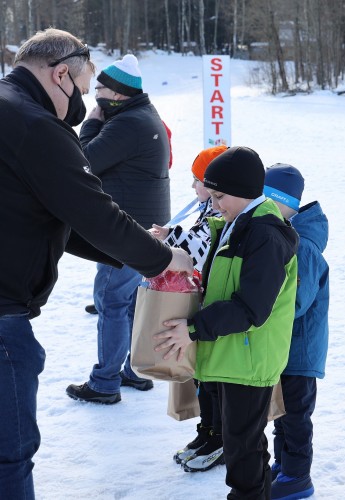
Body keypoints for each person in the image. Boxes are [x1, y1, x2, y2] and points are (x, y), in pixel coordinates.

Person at [0, 28, 192, 500]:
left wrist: (134, 254)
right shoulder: (34, 125)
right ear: (61, 72)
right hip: (2, 315)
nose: (85, 104)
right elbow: (90, 209)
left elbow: (49, 216)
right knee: (9, 452)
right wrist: (162, 260)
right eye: (85, 91)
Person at [153, 147, 299, 499]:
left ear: (245, 191)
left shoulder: (265, 235)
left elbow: (251, 308)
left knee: (241, 449)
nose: (215, 204)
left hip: (248, 360)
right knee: (245, 444)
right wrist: (170, 239)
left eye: (219, 195)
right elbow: (207, 242)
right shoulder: (237, 222)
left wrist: (193, 328)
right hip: (231, 354)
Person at [66, 54, 172, 403]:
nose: (94, 94)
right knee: (127, 303)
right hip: (141, 227)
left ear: (118, 94)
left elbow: (82, 162)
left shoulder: (127, 124)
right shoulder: (141, 115)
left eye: (100, 89)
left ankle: (106, 382)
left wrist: (92, 123)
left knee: (112, 301)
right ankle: (130, 370)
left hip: (126, 230)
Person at [150, 145, 228, 472]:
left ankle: (219, 436)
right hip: (202, 304)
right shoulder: (208, 209)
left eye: (196, 180)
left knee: (211, 379)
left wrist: (170, 241)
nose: (192, 187)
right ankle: (207, 430)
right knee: (201, 376)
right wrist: (171, 234)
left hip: (214, 308)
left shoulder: (221, 213)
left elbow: (200, 248)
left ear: (212, 185)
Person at [263, 164, 330, 500]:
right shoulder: (289, 234)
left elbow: (297, 303)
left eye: (265, 199)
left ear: (280, 201)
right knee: (283, 414)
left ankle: (298, 476)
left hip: (300, 351)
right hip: (285, 347)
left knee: (296, 417)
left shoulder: (302, 246)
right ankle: (283, 465)